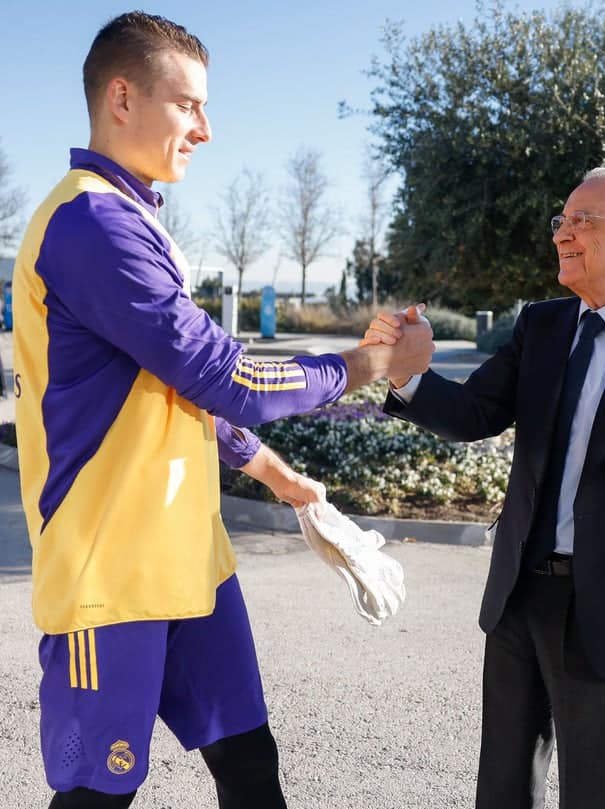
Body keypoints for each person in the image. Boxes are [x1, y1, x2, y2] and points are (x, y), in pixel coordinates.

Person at [12, 11, 433, 809]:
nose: (205, 128)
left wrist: (282, 478)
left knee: (248, 763)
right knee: (98, 794)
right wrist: (366, 366)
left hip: (188, 562)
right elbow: (222, 374)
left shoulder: (131, 215)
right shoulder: (91, 221)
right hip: (113, 573)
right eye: (189, 105)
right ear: (124, 98)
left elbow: (182, 391)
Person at [363, 167, 605, 809]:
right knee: (503, 785)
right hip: (518, 593)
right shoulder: (542, 326)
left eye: (582, 222)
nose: (563, 234)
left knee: (594, 791)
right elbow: (473, 413)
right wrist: (408, 375)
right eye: (561, 221)